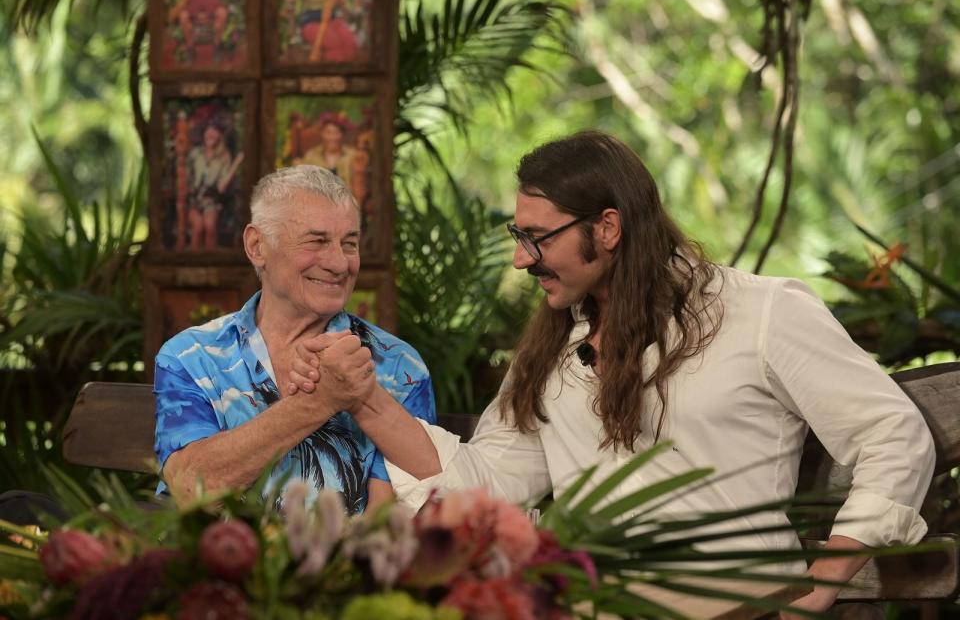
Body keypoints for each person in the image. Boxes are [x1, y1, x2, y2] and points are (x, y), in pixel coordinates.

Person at [288, 130, 935, 616]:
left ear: (608, 227)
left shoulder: (760, 313)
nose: (520, 257)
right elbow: (485, 490)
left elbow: (891, 435)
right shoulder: (551, 351)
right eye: (519, 234)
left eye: (538, 236)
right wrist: (366, 399)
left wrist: (814, 594)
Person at [154, 165, 436, 514]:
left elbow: (387, 524)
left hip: (341, 567)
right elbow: (190, 486)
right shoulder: (191, 358)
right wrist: (317, 402)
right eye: (317, 241)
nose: (339, 263)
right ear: (257, 246)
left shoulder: (398, 366)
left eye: (349, 243)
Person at [185, 121, 243, 250]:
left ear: (219, 136)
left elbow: (221, 187)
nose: (210, 134)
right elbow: (186, 176)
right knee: (198, 227)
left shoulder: (224, 156)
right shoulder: (196, 153)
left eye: (214, 131)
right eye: (208, 131)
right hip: (194, 200)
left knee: (209, 225)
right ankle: (194, 262)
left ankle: (210, 261)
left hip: (210, 200)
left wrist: (236, 164)